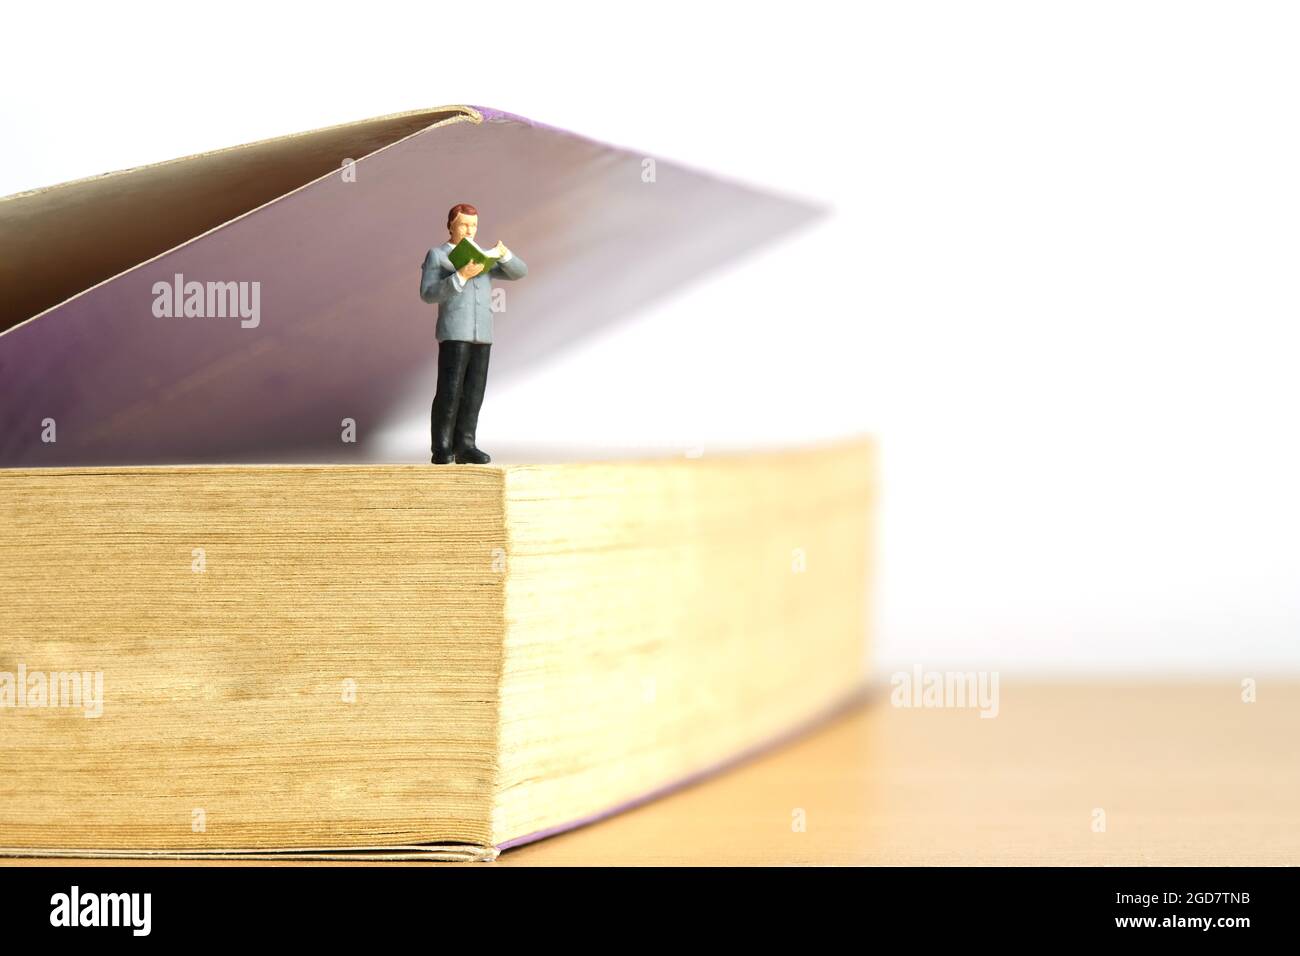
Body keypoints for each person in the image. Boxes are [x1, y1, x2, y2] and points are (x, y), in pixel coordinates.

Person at [419, 203, 528, 464]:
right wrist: (460, 276)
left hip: (483, 334)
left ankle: (466, 444)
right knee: (450, 389)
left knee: (474, 391)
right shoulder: (438, 255)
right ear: (451, 225)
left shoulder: (481, 256)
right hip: (455, 332)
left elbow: (519, 272)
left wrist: (504, 255)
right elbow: (428, 293)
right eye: (464, 224)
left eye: (474, 225)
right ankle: (442, 446)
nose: (470, 230)